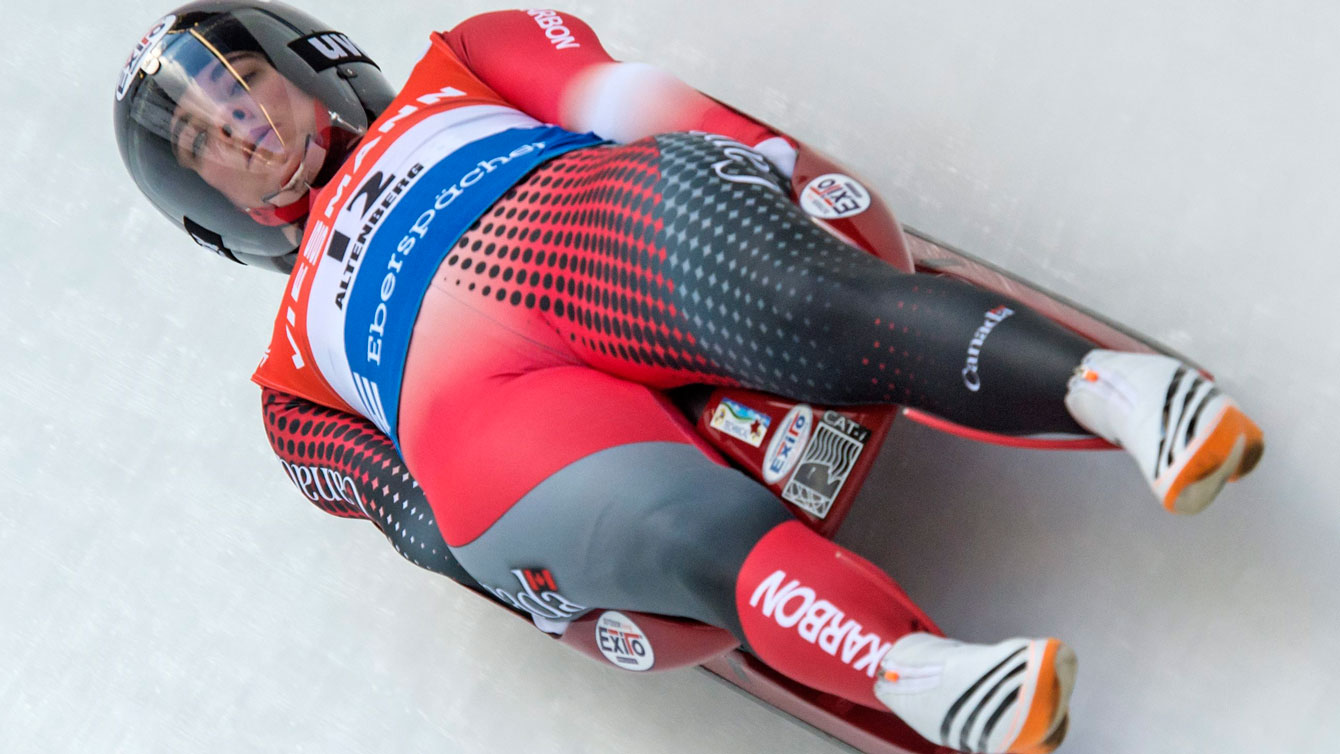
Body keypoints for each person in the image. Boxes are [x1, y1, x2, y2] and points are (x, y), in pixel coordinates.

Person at [112, 3, 1263, 752]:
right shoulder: (286, 387)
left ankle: (1116, 395)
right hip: (486, 416)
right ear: (205, 198)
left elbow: (618, 99)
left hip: (578, 231)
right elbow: (403, 505)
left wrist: (769, 166)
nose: (244, 128)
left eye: (242, 88)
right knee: (639, 522)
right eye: (211, 138)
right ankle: (916, 673)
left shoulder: (456, 62)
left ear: (304, 64)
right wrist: (539, 592)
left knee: (803, 304)